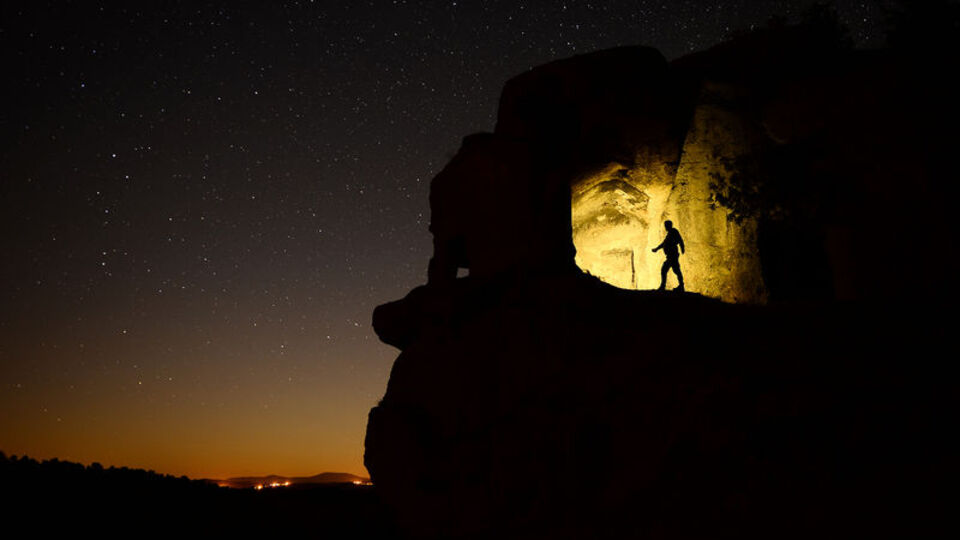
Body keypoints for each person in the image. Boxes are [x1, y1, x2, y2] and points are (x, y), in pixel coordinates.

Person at [652, 220, 685, 291]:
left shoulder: (674, 232)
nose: (665, 227)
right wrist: (656, 249)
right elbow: (664, 243)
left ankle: (663, 286)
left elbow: (680, 240)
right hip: (671, 255)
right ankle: (681, 286)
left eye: (666, 226)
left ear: (668, 225)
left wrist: (682, 248)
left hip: (672, 255)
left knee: (664, 269)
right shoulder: (670, 234)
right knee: (676, 270)